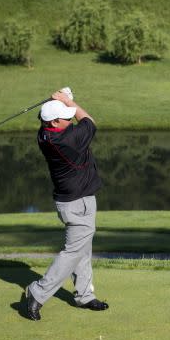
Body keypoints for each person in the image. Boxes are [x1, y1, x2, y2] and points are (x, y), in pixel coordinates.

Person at [24, 89, 108, 321]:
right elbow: (89, 121)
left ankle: (84, 295)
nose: (71, 119)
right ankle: (37, 292)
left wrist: (61, 99)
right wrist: (68, 100)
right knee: (72, 252)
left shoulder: (44, 133)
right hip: (77, 202)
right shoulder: (69, 140)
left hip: (73, 199)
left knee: (82, 247)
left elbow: (62, 117)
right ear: (53, 122)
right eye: (66, 117)